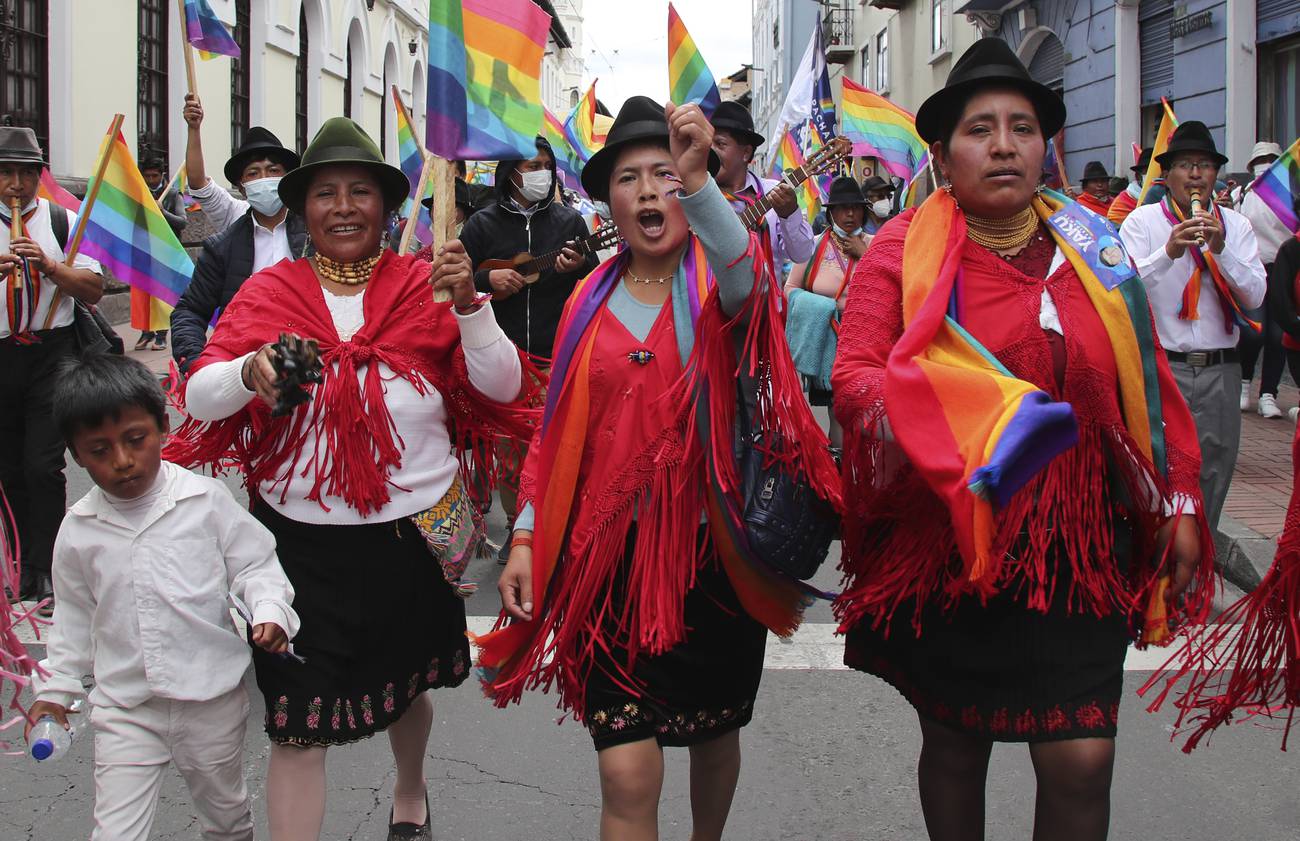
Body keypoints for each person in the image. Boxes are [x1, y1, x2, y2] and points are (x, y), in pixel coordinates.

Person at [832, 38, 1212, 841]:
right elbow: (857, 377)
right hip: (956, 540)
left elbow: (1148, 384)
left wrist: (1178, 497)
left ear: (1047, 147)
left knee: (1080, 759)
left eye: (1023, 127)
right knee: (957, 740)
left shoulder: (1097, 250)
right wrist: (964, 415)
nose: (1004, 144)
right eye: (981, 128)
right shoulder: (903, 251)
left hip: (1080, 543)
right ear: (943, 153)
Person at [477, 97, 837, 841]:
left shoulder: (725, 283)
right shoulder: (585, 300)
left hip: (711, 559)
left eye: (665, 175)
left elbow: (746, 273)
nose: (648, 191)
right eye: (629, 178)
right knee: (625, 767)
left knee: (714, 734)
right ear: (608, 200)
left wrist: (704, 182)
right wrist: (524, 534)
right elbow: (554, 434)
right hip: (606, 561)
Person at [169, 118, 536, 841]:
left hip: (408, 542)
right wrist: (250, 369)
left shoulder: (425, 284)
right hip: (295, 549)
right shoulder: (270, 292)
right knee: (294, 725)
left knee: (404, 690)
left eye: (359, 191)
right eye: (326, 192)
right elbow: (202, 392)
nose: (342, 206)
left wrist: (469, 306)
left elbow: (503, 386)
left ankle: (410, 793)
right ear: (303, 207)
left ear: (386, 205)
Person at [28, 353, 298, 841]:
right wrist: (55, 692)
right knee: (115, 832)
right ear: (75, 454)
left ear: (163, 427)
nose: (123, 460)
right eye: (99, 450)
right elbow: (72, 619)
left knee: (227, 817)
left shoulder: (205, 501)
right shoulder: (78, 529)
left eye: (135, 440)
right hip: (126, 708)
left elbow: (256, 565)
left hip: (211, 699)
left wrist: (270, 610)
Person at [1120, 120, 1267, 531]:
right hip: (1165, 368)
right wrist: (1168, 251)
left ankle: (1199, 567)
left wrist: (1220, 250)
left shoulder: (1235, 227)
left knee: (1214, 471)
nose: (1197, 174)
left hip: (1222, 370)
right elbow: (1123, 290)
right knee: (1160, 467)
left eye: (1205, 165)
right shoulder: (1142, 223)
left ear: (1216, 174)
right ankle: (1159, 570)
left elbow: (1255, 296)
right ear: (1168, 177)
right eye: (1186, 165)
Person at [455, 136, 598, 557]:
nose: (539, 173)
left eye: (545, 165)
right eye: (530, 166)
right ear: (510, 173)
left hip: (560, 353)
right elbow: (455, 278)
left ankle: (560, 531)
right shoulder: (481, 226)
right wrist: (487, 281)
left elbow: (593, 281)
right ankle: (521, 533)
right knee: (512, 455)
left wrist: (579, 267)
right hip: (505, 361)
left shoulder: (570, 223)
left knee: (564, 448)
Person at [0, 126, 104, 613]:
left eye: (25, 174)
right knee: (8, 466)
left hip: (52, 349)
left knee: (44, 464)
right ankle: (19, 565)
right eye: (5, 174)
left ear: (39, 176)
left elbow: (93, 288)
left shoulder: (64, 220)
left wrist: (49, 265)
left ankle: (49, 567)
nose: (16, 186)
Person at [172, 96, 305, 373]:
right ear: (242, 187)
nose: (263, 178)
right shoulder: (225, 242)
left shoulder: (312, 234)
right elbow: (190, 311)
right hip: (243, 367)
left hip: (308, 357)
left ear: (287, 178)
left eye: (273, 171)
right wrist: (198, 367)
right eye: (253, 173)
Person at [785, 176, 870, 447]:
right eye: (843, 207)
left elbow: (898, 285)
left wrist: (864, 254)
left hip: (868, 343)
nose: (849, 214)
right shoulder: (812, 246)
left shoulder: (879, 244)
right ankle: (841, 473)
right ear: (831, 211)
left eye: (855, 208)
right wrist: (820, 309)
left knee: (869, 414)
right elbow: (790, 288)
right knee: (838, 415)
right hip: (830, 341)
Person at [709, 100, 815, 274]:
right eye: (709, 145)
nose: (711, 152)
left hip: (766, 301)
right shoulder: (697, 196)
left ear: (746, 153)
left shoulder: (773, 192)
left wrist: (789, 214)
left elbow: (802, 254)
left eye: (720, 144)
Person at [1236, 141, 1290, 418]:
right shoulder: (1242, 193)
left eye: (1271, 159)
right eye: (1262, 159)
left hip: (1284, 271)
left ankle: (1269, 392)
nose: (1266, 164)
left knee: (1278, 335)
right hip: (1254, 270)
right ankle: (1244, 384)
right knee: (1253, 331)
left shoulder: (1290, 194)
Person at [132, 157, 187, 351]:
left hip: (166, 252)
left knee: (162, 294)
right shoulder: (140, 193)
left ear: (162, 175)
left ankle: (162, 334)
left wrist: (163, 212)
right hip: (144, 249)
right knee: (144, 292)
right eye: (147, 176)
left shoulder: (172, 194)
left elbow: (182, 221)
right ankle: (146, 332)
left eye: (154, 176)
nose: (150, 180)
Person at [1106, 147, 1156, 226]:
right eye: (1147, 171)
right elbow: (1115, 230)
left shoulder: (1168, 197)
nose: (1151, 175)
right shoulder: (1123, 201)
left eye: (1156, 171)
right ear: (1138, 176)